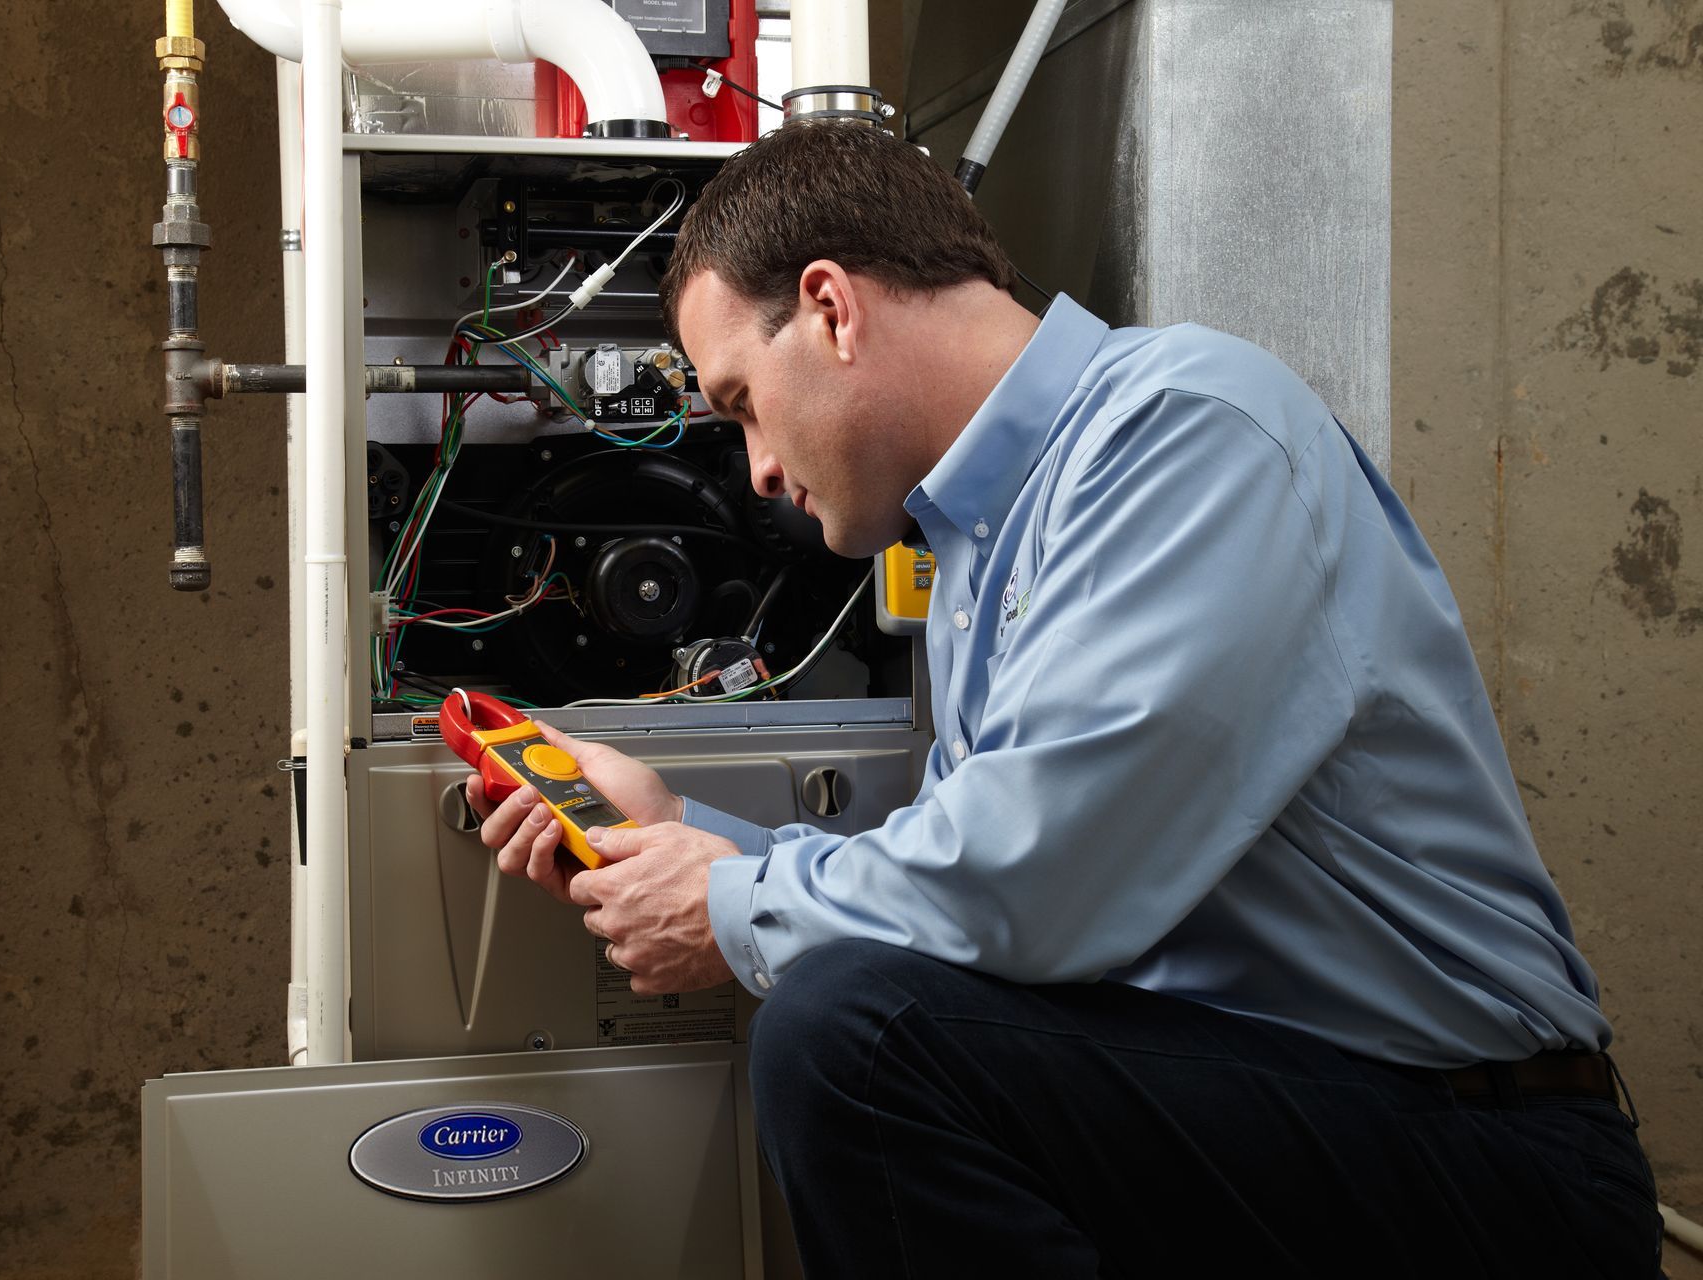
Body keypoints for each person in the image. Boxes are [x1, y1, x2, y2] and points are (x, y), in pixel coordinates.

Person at [465, 122, 1666, 1277]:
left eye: (738, 405)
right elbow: (958, 886)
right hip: (1287, 1114)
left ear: (832, 309)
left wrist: (725, 904)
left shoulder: (1188, 426)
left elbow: (1036, 880)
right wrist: (675, 834)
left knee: (857, 1037)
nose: (761, 470)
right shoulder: (981, 546)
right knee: (867, 1011)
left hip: (1486, 1164)